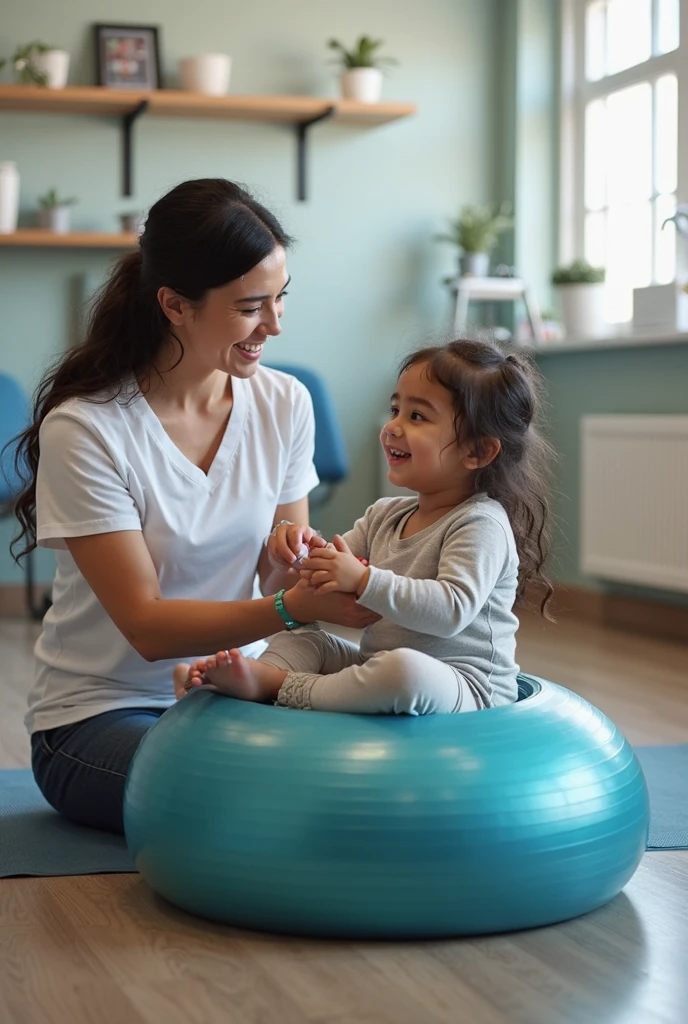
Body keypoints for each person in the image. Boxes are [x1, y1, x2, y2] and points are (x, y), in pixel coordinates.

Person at [12, 178, 377, 834]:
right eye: (250, 307)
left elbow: (282, 570)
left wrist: (304, 565)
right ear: (175, 305)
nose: (275, 324)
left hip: (236, 689)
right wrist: (291, 606)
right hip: (102, 716)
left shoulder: (285, 403)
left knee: (371, 753)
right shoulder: (88, 429)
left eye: (281, 299)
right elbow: (148, 628)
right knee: (264, 788)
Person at [175, 338, 554, 714]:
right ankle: (240, 684)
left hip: (464, 688)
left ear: (477, 451)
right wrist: (296, 552)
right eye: (395, 410)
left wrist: (362, 581)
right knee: (305, 639)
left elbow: (452, 609)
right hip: (376, 665)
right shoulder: (384, 515)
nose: (392, 427)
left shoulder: (481, 523)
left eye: (417, 416)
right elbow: (326, 573)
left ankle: (279, 687)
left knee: (404, 672)